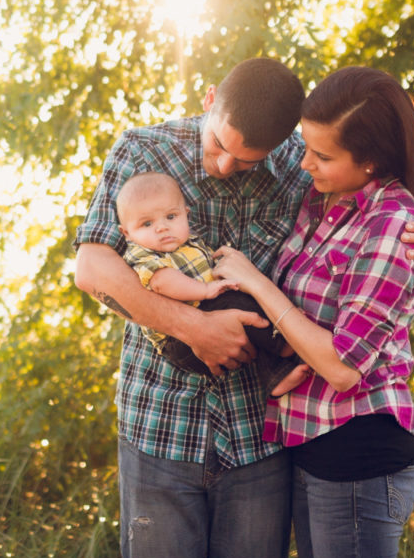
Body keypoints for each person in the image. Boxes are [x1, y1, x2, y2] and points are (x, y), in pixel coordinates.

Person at [74, 57, 414, 558]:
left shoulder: (304, 167)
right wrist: (196, 327)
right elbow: (93, 267)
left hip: (260, 437)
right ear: (209, 100)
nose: (226, 166)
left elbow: (375, 199)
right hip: (161, 423)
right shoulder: (143, 151)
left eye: (247, 161)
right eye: (219, 147)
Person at [212, 65, 414, 558]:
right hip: (313, 444)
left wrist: (256, 281)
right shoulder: (325, 200)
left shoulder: (393, 226)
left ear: (371, 162)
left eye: (321, 156)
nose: (304, 164)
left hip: (360, 450)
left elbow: (343, 367)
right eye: (306, 146)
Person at [115, 170, 310, 396]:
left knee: (242, 310)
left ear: (186, 214)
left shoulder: (191, 244)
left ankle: (275, 377)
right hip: (179, 341)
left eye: (170, 217)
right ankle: (283, 339)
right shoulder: (143, 254)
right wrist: (206, 290)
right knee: (235, 303)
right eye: (147, 223)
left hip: (207, 315)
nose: (162, 227)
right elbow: (162, 282)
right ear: (126, 233)